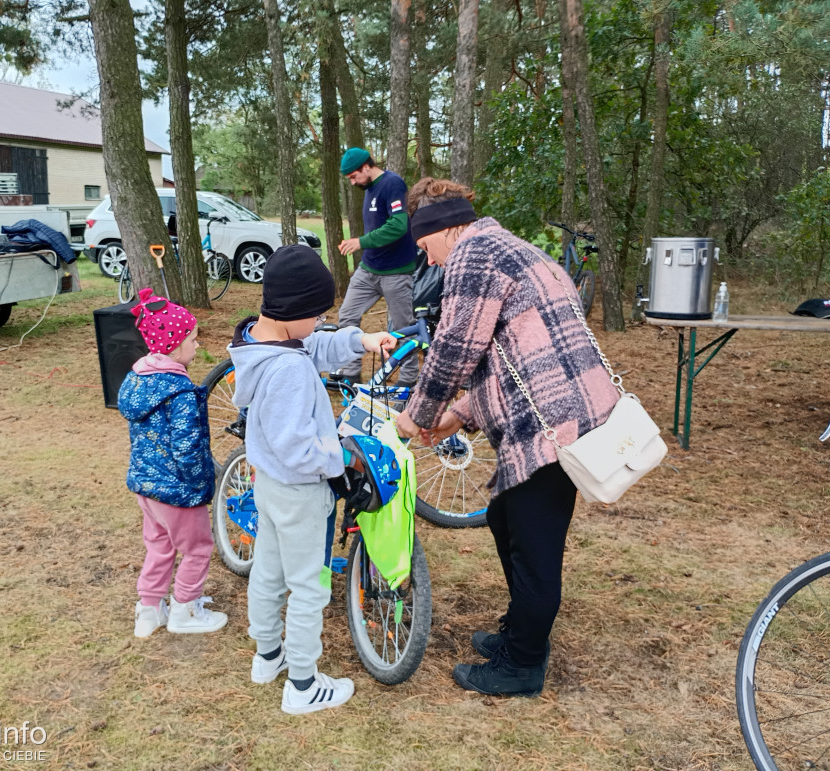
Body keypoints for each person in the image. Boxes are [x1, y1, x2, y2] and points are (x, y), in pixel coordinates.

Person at [394, 178, 620, 697]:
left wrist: (419, 412)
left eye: (424, 244)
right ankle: (520, 634)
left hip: (552, 423)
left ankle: (522, 664)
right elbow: (513, 350)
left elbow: (455, 345)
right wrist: (459, 414)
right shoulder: (508, 248)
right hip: (557, 407)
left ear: (445, 228)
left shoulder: (474, 255)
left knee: (533, 546)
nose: (426, 259)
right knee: (504, 517)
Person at [227, 244, 396, 715]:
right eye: (318, 313)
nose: (322, 321)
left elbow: (313, 341)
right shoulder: (289, 370)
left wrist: (359, 340)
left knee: (269, 570)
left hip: (271, 485)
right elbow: (299, 448)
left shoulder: (263, 342)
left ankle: (268, 656)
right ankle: (302, 684)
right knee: (309, 585)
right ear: (295, 312)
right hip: (301, 492)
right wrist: (341, 457)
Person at [119, 287, 228, 638]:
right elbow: (187, 447)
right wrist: (200, 485)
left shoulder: (139, 380)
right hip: (177, 490)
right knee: (198, 548)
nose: (198, 346)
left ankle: (149, 610)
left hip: (146, 486)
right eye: (193, 340)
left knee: (159, 545)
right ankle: (185, 609)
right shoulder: (179, 393)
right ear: (173, 344)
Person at [334, 147, 419, 387]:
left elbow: (398, 226)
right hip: (369, 269)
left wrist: (360, 242)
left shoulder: (392, 184)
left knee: (404, 328)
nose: (352, 182)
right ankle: (350, 375)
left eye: (353, 176)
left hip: (396, 272)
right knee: (347, 316)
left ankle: (408, 379)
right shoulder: (369, 188)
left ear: (366, 167)